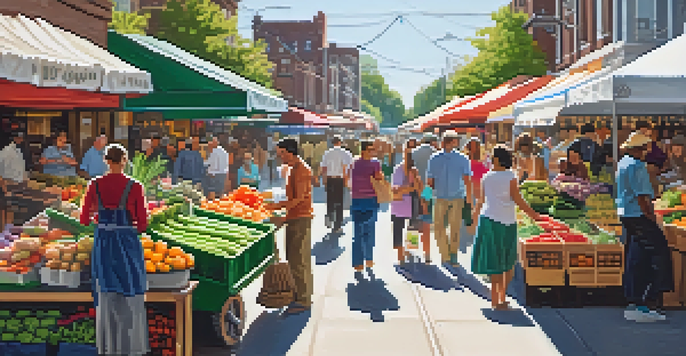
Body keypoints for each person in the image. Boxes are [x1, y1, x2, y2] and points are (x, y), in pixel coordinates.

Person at [79, 144, 149, 355]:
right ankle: (132, 346)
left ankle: (108, 346)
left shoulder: (94, 185)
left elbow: (84, 219)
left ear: (106, 161)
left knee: (106, 289)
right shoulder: (135, 186)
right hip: (127, 243)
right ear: (125, 160)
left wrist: (100, 217)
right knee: (130, 288)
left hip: (103, 243)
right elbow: (143, 224)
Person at [472, 146, 542, 310]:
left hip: (489, 220)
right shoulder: (511, 176)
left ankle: (496, 299)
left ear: (496, 159)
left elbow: (481, 200)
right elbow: (518, 199)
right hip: (507, 222)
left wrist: (474, 217)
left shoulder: (486, 177)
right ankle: (501, 297)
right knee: (508, 261)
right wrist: (534, 215)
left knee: (494, 261)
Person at [616, 132, 673, 322]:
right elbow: (642, 197)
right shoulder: (637, 166)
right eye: (643, 148)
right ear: (637, 149)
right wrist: (650, 216)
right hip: (638, 215)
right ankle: (648, 301)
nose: (645, 151)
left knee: (636, 256)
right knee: (659, 255)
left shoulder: (623, 162)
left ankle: (634, 301)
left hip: (626, 215)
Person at [265, 139, 313, 315]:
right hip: (295, 217)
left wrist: (277, 208)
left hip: (300, 218)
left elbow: (298, 199)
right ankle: (301, 294)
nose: (280, 156)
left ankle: (303, 299)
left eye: (281, 153)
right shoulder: (294, 169)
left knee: (298, 260)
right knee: (296, 259)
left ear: (290, 153)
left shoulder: (301, 170)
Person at [427, 131, 472, 268]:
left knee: (441, 228)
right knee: (453, 228)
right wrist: (469, 199)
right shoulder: (462, 158)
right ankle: (450, 256)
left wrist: (426, 198)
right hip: (452, 197)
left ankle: (448, 256)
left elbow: (429, 181)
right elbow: (467, 180)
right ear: (452, 142)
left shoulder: (434, 158)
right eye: (456, 140)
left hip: (443, 197)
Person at [350, 140, 384, 273]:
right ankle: (368, 259)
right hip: (370, 200)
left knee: (357, 232)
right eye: (370, 150)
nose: (373, 152)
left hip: (356, 200)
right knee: (369, 231)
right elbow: (379, 178)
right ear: (363, 150)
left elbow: (348, 179)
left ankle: (358, 263)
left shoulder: (353, 163)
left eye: (373, 150)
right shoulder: (375, 163)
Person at [391, 140, 422, 265]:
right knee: (409, 227)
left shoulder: (408, 169)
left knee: (403, 227)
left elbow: (397, 187)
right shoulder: (402, 169)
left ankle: (404, 254)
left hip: (405, 201)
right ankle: (404, 253)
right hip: (408, 200)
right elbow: (396, 188)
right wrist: (412, 187)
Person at [412, 134, 439, 263]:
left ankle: (411, 249)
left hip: (413, 190)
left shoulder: (413, 152)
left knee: (413, 221)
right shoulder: (435, 154)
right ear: (433, 142)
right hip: (428, 190)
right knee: (426, 223)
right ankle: (427, 253)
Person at [321, 135, 353, 234]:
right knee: (339, 202)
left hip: (330, 179)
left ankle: (330, 216)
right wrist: (347, 181)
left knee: (330, 199)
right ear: (340, 142)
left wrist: (324, 180)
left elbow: (324, 168)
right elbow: (348, 168)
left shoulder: (327, 153)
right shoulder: (346, 153)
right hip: (340, 179)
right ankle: (337, 226)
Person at [0, 132, 28, 227]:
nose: (21, 140)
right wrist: (4, 186)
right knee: (8, 209)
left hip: (18, 183)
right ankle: (5, 231)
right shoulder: (5, 151)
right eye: (19, 138)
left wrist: (25, 180)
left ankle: (9, 230)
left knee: (14, 209)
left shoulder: (19, 151)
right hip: (8, 183)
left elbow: (21, 168)